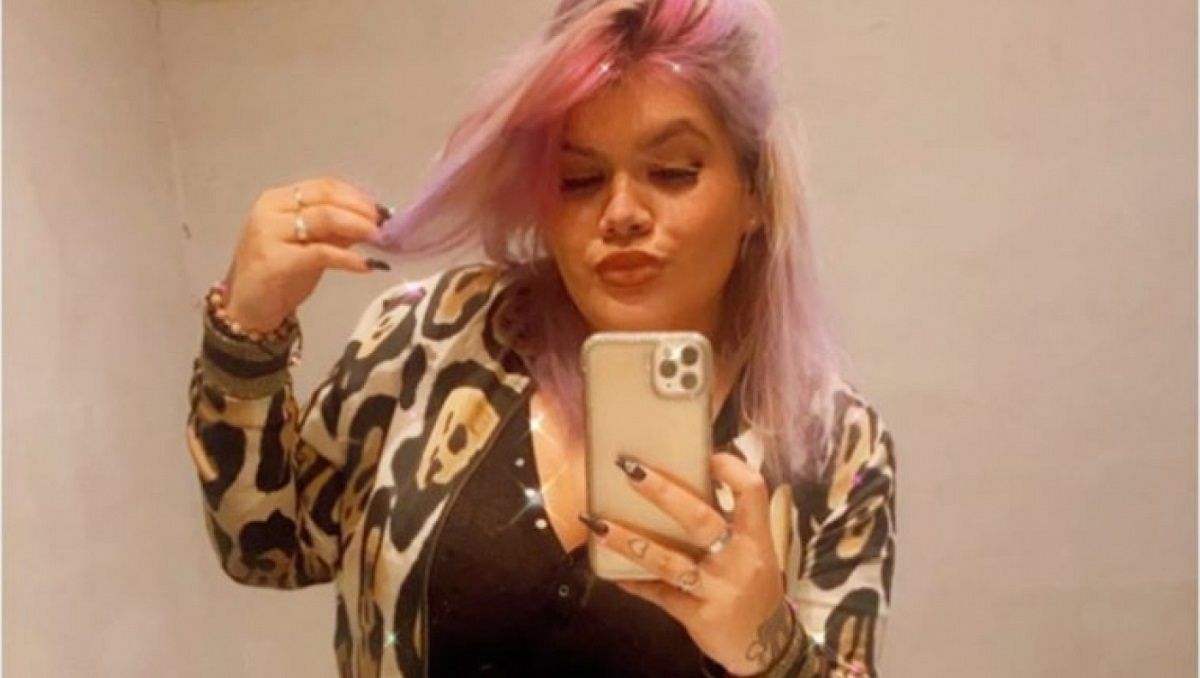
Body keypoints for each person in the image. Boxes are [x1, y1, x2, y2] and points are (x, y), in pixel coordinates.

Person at [185, 0, 897, 676]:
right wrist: (249, 332)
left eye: (672, 171)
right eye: (579, 179)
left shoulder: (833, 448)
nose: (622, 212)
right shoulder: (433, 339)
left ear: (755, 194)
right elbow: (265, 546)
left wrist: (770, 649)